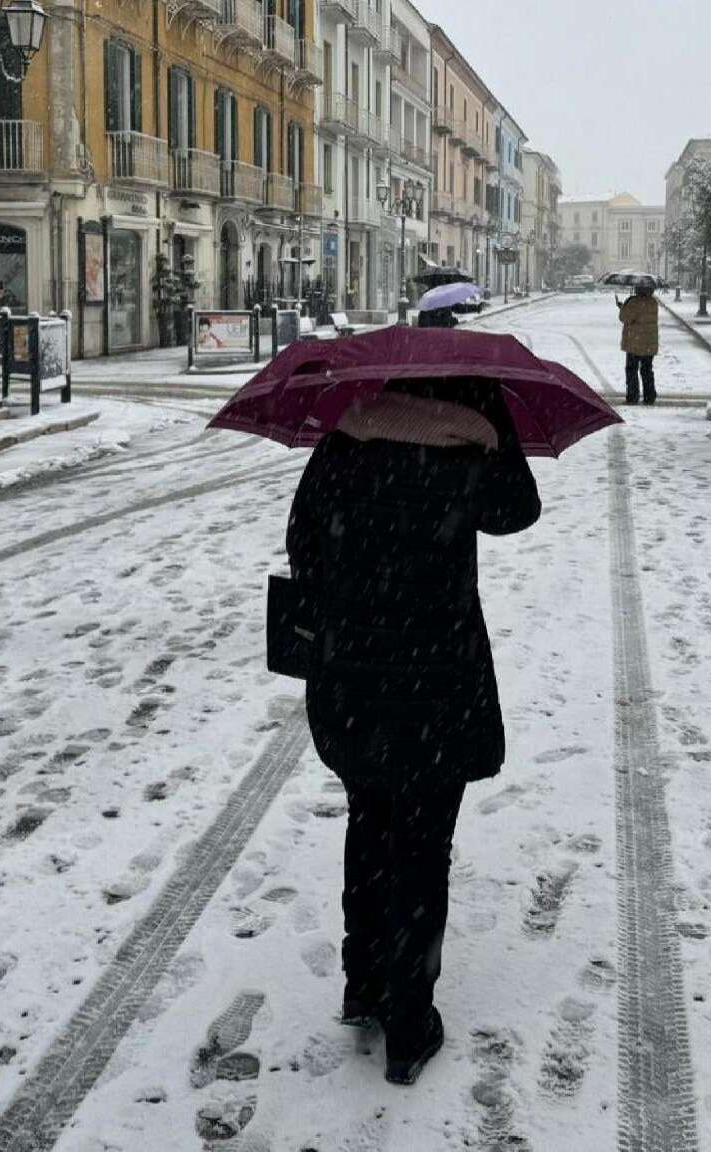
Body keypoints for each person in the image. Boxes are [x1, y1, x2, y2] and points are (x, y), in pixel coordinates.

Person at [285, 378, 541, 1085]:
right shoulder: (475, 434)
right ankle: (408, 1022)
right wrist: (494, 437)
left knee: (369, 821)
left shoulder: (350, 427)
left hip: (354, 672)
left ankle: (362, 982)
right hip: (438, 673)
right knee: (423, 842)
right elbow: (516, 512)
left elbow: (303, 539)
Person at [617, 280, 660, 405]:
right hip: (649, 342)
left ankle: (632, 395)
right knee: (647, 370)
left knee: (631, 370)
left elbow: (625, 318)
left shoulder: (634, 302)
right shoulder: (653, 302)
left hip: (634, 343)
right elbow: (641, 315)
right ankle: (649, 396)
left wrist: (623, 306)